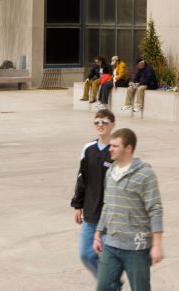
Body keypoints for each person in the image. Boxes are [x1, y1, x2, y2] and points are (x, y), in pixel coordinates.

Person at [94, 128, 164, 291]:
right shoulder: (110, 172)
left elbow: (155, 209)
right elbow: (107, 204)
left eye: (115, 146)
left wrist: (157, 245)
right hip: (111, 244)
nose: (110, 149)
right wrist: (98, 233)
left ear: (128, 148)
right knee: (103, 287)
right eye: (110, 145)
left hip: (137, 247)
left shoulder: (146, 175)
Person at [71, 108, 117, 279]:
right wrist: (78, 205)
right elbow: (82, 178)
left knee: (107, 258)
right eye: (97, 122)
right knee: (86, 254)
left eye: (104, 122)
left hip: (111, 216)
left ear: (113, 125)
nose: (100, 125)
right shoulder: (88, 148)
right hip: (91, 213)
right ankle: (109, 284)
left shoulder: (117, 149)